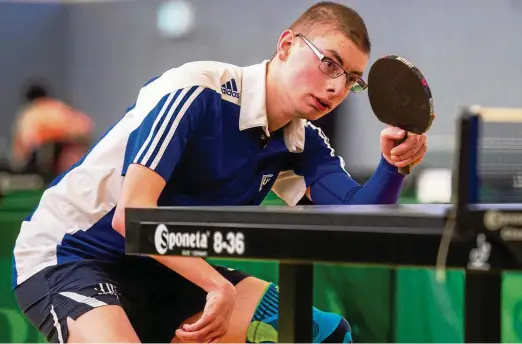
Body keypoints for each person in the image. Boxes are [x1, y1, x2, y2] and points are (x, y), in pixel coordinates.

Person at [12, 2, 429, 343]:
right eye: (330, 64)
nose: (338, 88)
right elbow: (134, 216)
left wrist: (395, 165)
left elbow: (358, 222)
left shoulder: (302, 143)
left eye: (352, 80)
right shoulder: (198, 91)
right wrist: (217, 285)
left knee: (321, 335)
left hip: (160, 266)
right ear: (286, 45)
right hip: (72, 255)